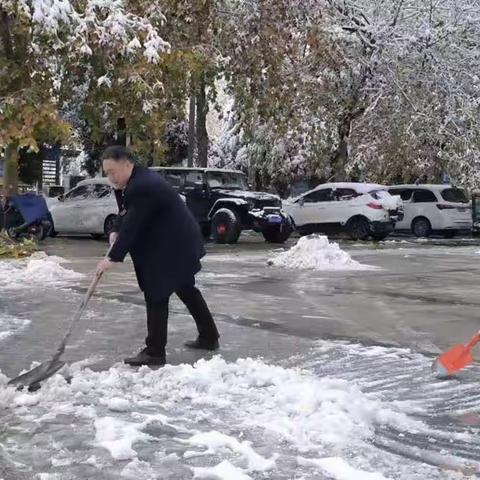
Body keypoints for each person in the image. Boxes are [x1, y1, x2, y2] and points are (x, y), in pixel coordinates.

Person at [96, 146, 219, 366]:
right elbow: (126, 213)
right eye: (106, 173)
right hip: (175, 243)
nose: (109, 177)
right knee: (185, 288)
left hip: (173, 246)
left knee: (156, 293)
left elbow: (133, 226)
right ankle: (209, 337)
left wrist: (112, 258)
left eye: (112, 171)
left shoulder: (142, 186)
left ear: (126, 164)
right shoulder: (133, 181)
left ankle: (154, 352)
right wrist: (115, 230)